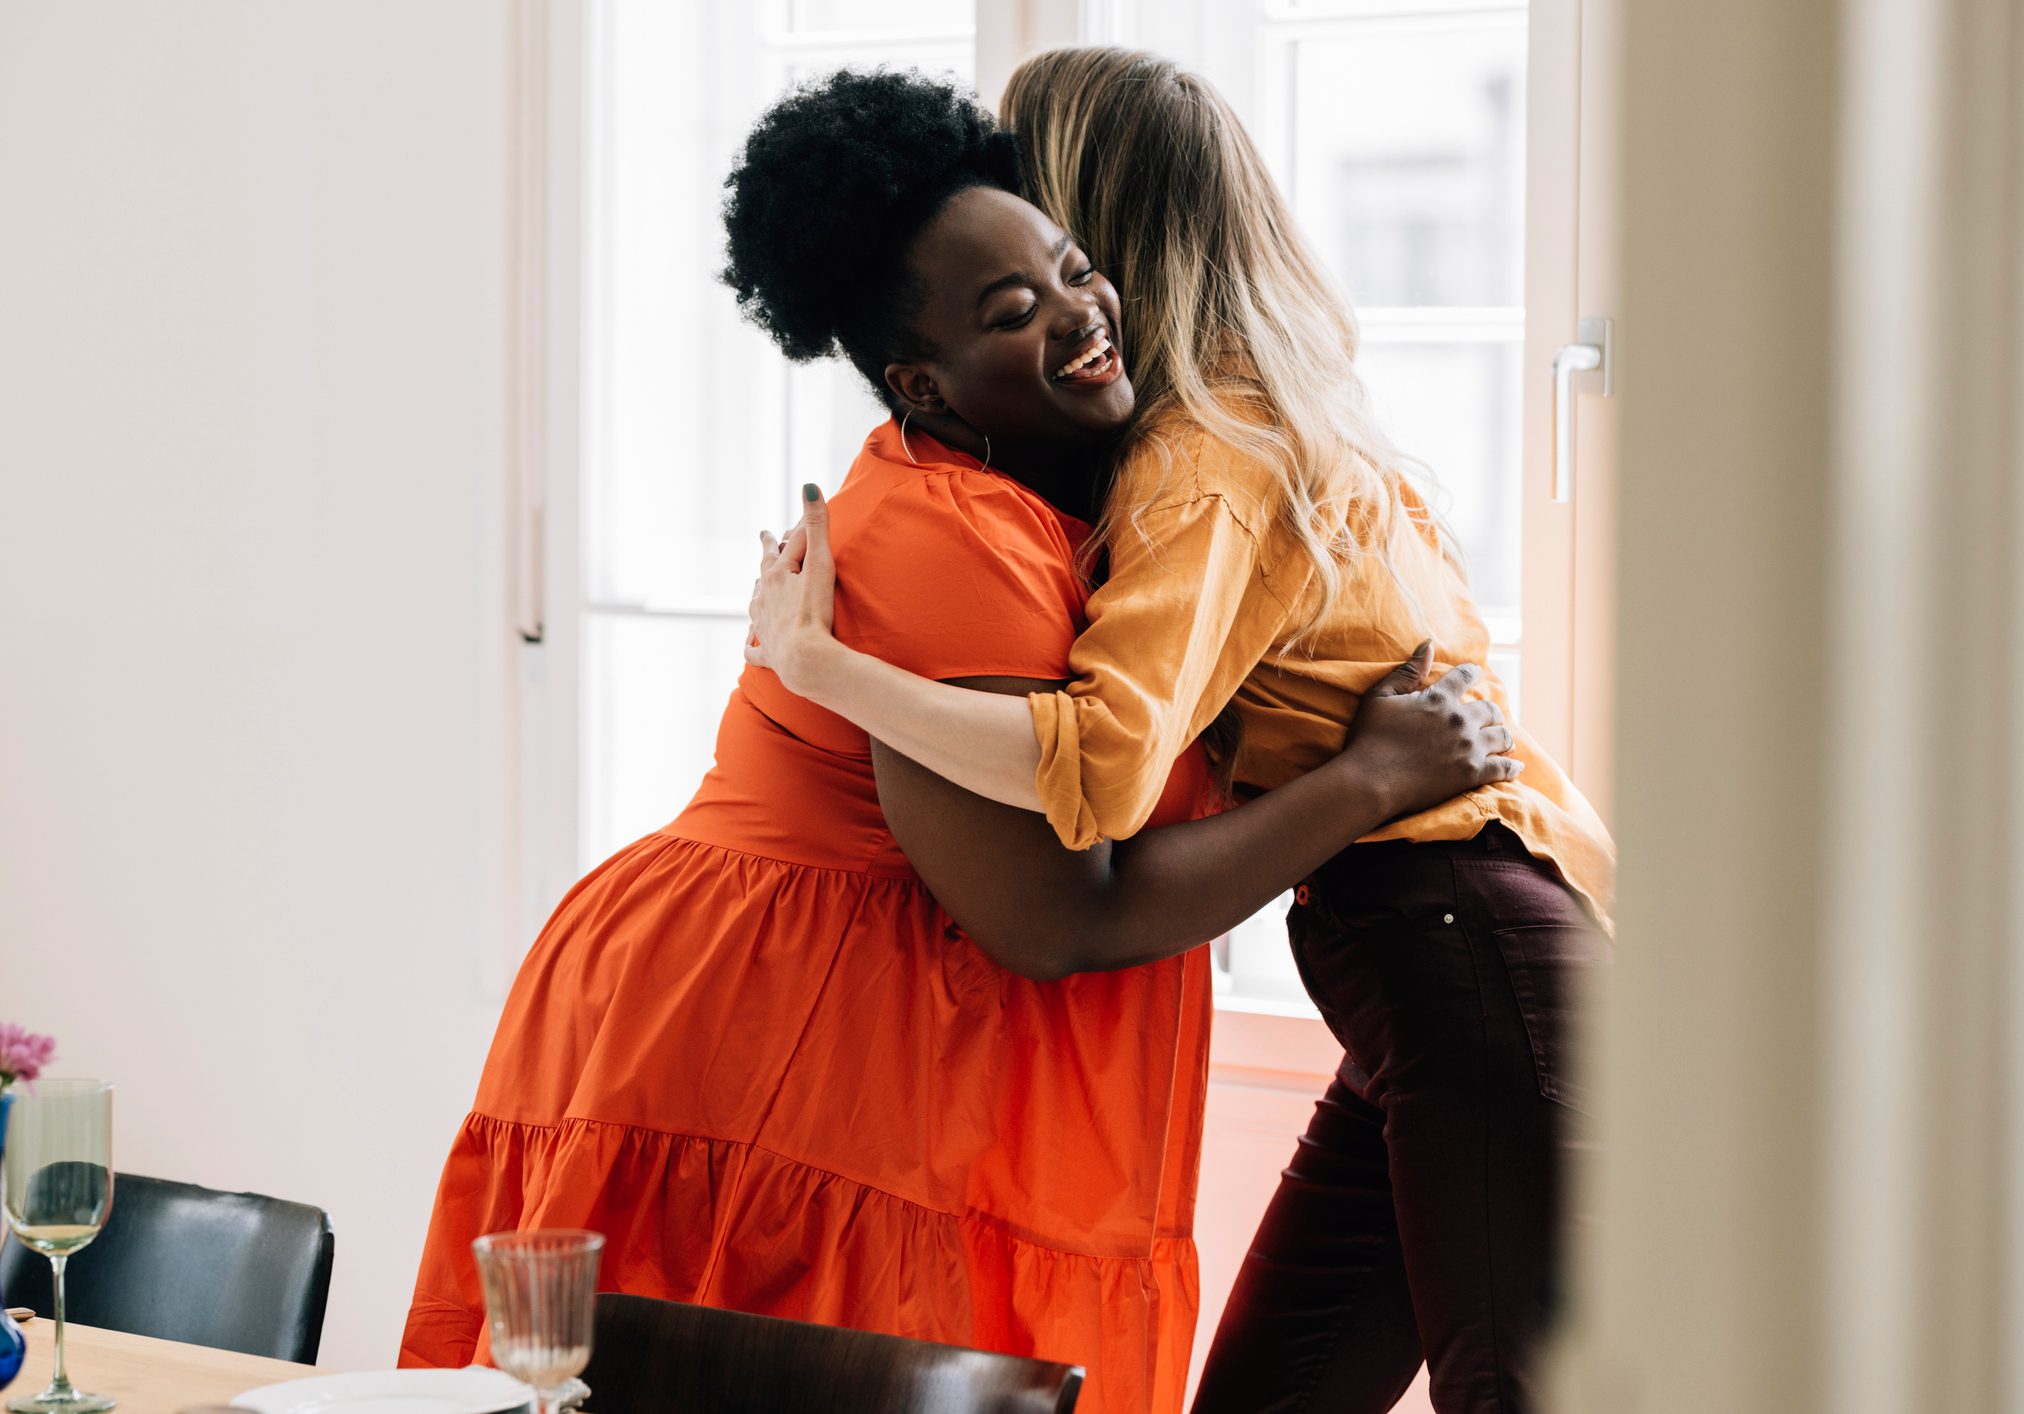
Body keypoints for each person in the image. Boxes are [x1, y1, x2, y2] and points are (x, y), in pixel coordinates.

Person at [402, 69, 1515, 1414]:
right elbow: (1052, 915)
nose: (1078, 317)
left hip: (848, 1024)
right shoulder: (951, 536)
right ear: (924, 379)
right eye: (1011, 311)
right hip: (766, 1035)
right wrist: (1373, 778)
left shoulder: (1088, 505)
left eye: (1071, 271)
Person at [745, 48, 1616, 1414]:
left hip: (1458, 943)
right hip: (1433, 956)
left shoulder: (1200, 463)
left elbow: (1096, 776)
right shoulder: (1270, 421)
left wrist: (824, 666)